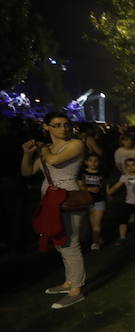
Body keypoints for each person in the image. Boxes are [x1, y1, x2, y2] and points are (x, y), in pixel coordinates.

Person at [21, 111, 87, 309]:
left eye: (66, 124)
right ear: (46, 127)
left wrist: (42, 150)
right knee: (60, 242)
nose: (63, 128)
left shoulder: (75, 144)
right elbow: (27, 172)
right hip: (50, 199)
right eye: (57, 125)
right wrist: (27, 153)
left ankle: (76, 290)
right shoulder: (46, 149)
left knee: (70, 244)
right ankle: (69, 282)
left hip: (68, 199)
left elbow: (53, 161)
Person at [107, 157, 135, 245]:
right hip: (129, 202)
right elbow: (116, 186)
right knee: (123, 219)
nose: (131, 167)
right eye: (128, 165)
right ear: (125, 167)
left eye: (133, 165)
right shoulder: (125, 177)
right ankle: (122, 237)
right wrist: (109, 192)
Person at [81, 153, 107, 250]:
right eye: (91, 160)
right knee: (92, 224)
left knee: (97, 223)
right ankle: (98, 239)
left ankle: (95, 244)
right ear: (86, 162)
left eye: (96, 161)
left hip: (99, 201)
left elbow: (104, 186)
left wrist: (107, 194)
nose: (93, 163)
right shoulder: (82, 173)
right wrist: (89, 189)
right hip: (86, 201)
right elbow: (80, 186)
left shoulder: (101, 173)